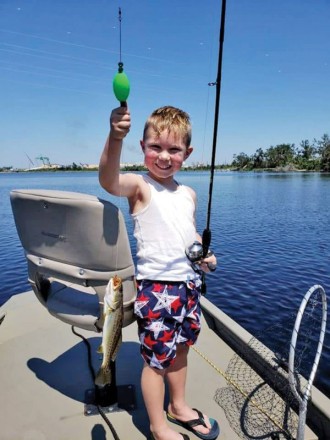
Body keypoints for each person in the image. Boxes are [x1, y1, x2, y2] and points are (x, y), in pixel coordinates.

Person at [99, 105, 219, 440]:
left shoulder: (189, 194)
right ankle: (157, 425)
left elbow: (189, 236)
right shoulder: (140, 186)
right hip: (157, 292)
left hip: (188, 288)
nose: (164, 157)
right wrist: (114, 136)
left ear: (188, 153)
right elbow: (108, 180)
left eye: (174, 149)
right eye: (156, 147)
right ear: (142, 147)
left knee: (181, 350)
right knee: (155, 363)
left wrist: (206, 256)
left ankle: (178, 406)